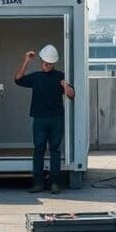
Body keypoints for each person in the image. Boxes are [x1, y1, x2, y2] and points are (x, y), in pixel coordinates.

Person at [15, 44, 75, 193]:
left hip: (56, 119)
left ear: (54, 63)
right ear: (41, 61)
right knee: (39, 149)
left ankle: (55, 183)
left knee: (55, 150)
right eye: (45, 63)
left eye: (50, 63)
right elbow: (18, 79)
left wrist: (65, 86)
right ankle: (38, 183)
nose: (47, 65)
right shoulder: (36, 77)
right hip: (40, 119)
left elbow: (72, 95)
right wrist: (26, 60)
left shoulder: (60, 76)